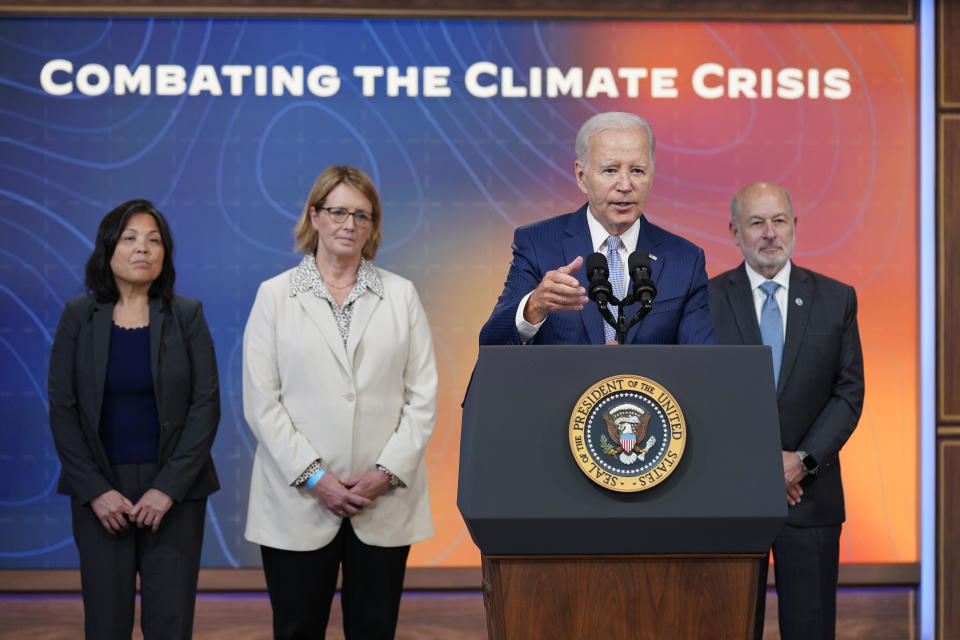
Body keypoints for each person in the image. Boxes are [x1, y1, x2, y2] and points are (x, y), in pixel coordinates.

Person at [242, 165, 438, 639]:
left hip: (382, 501)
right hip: (299, 501)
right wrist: (317, 477)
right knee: (296, 629)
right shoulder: (275, 296)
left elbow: (423, 397)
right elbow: (262, 403)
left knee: (375, 630)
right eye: (338, 212)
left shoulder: (400, 294)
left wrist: (384, 473)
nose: (349, 224)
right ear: (314, 216)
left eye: (362, 215)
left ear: (373, 226)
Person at [47, 199, 221, 639]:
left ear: (165, 254)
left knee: (170, 624)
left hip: (174, 494)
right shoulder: (77, 317)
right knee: (105, 624)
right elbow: (62, 408)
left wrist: (167, 489)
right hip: (102, 494)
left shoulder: (187, 316)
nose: (143, 248)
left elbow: (206, 405)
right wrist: (95, 492)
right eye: (130, 238)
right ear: (108, 249)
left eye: (154, 239)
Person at [708, 181, 865, 640]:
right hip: (733, 501)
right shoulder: (707, 300)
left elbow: (848, 393)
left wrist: (801, 463)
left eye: (779, 221)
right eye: (756, 223)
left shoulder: (837, 299)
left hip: (811, 499)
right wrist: (761, 469)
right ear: (735, 232)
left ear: (794, 227)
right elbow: (702, 396)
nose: (770, 233)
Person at [479, 111, 716, 346]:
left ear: (652, 176)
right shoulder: (537, 244)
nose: (625, 185)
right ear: (582, 176)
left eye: (637, 171)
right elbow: (493, 344)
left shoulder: (685, 259)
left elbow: (702, 365)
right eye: (610, 170)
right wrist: (535, 306)